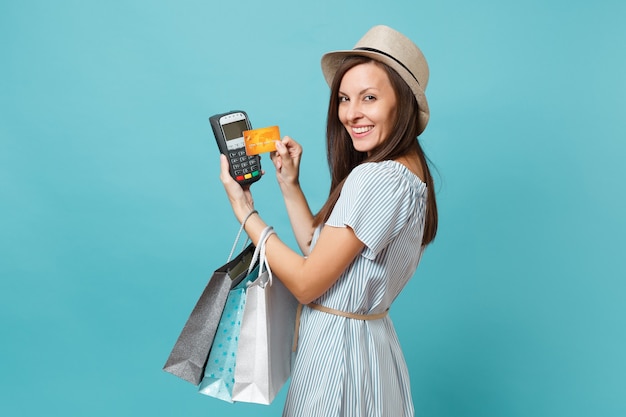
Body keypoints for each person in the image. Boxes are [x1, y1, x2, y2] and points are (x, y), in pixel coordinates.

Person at [219, 25, 438, 417]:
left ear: (401, 103)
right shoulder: (410, 171)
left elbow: (306, 283)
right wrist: (290, 186)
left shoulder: (375, 177)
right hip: (371, 348)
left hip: (337, 356)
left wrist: (245, 213)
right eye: (343, 99)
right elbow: (323, 257)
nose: (351, 114)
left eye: (369, 98)